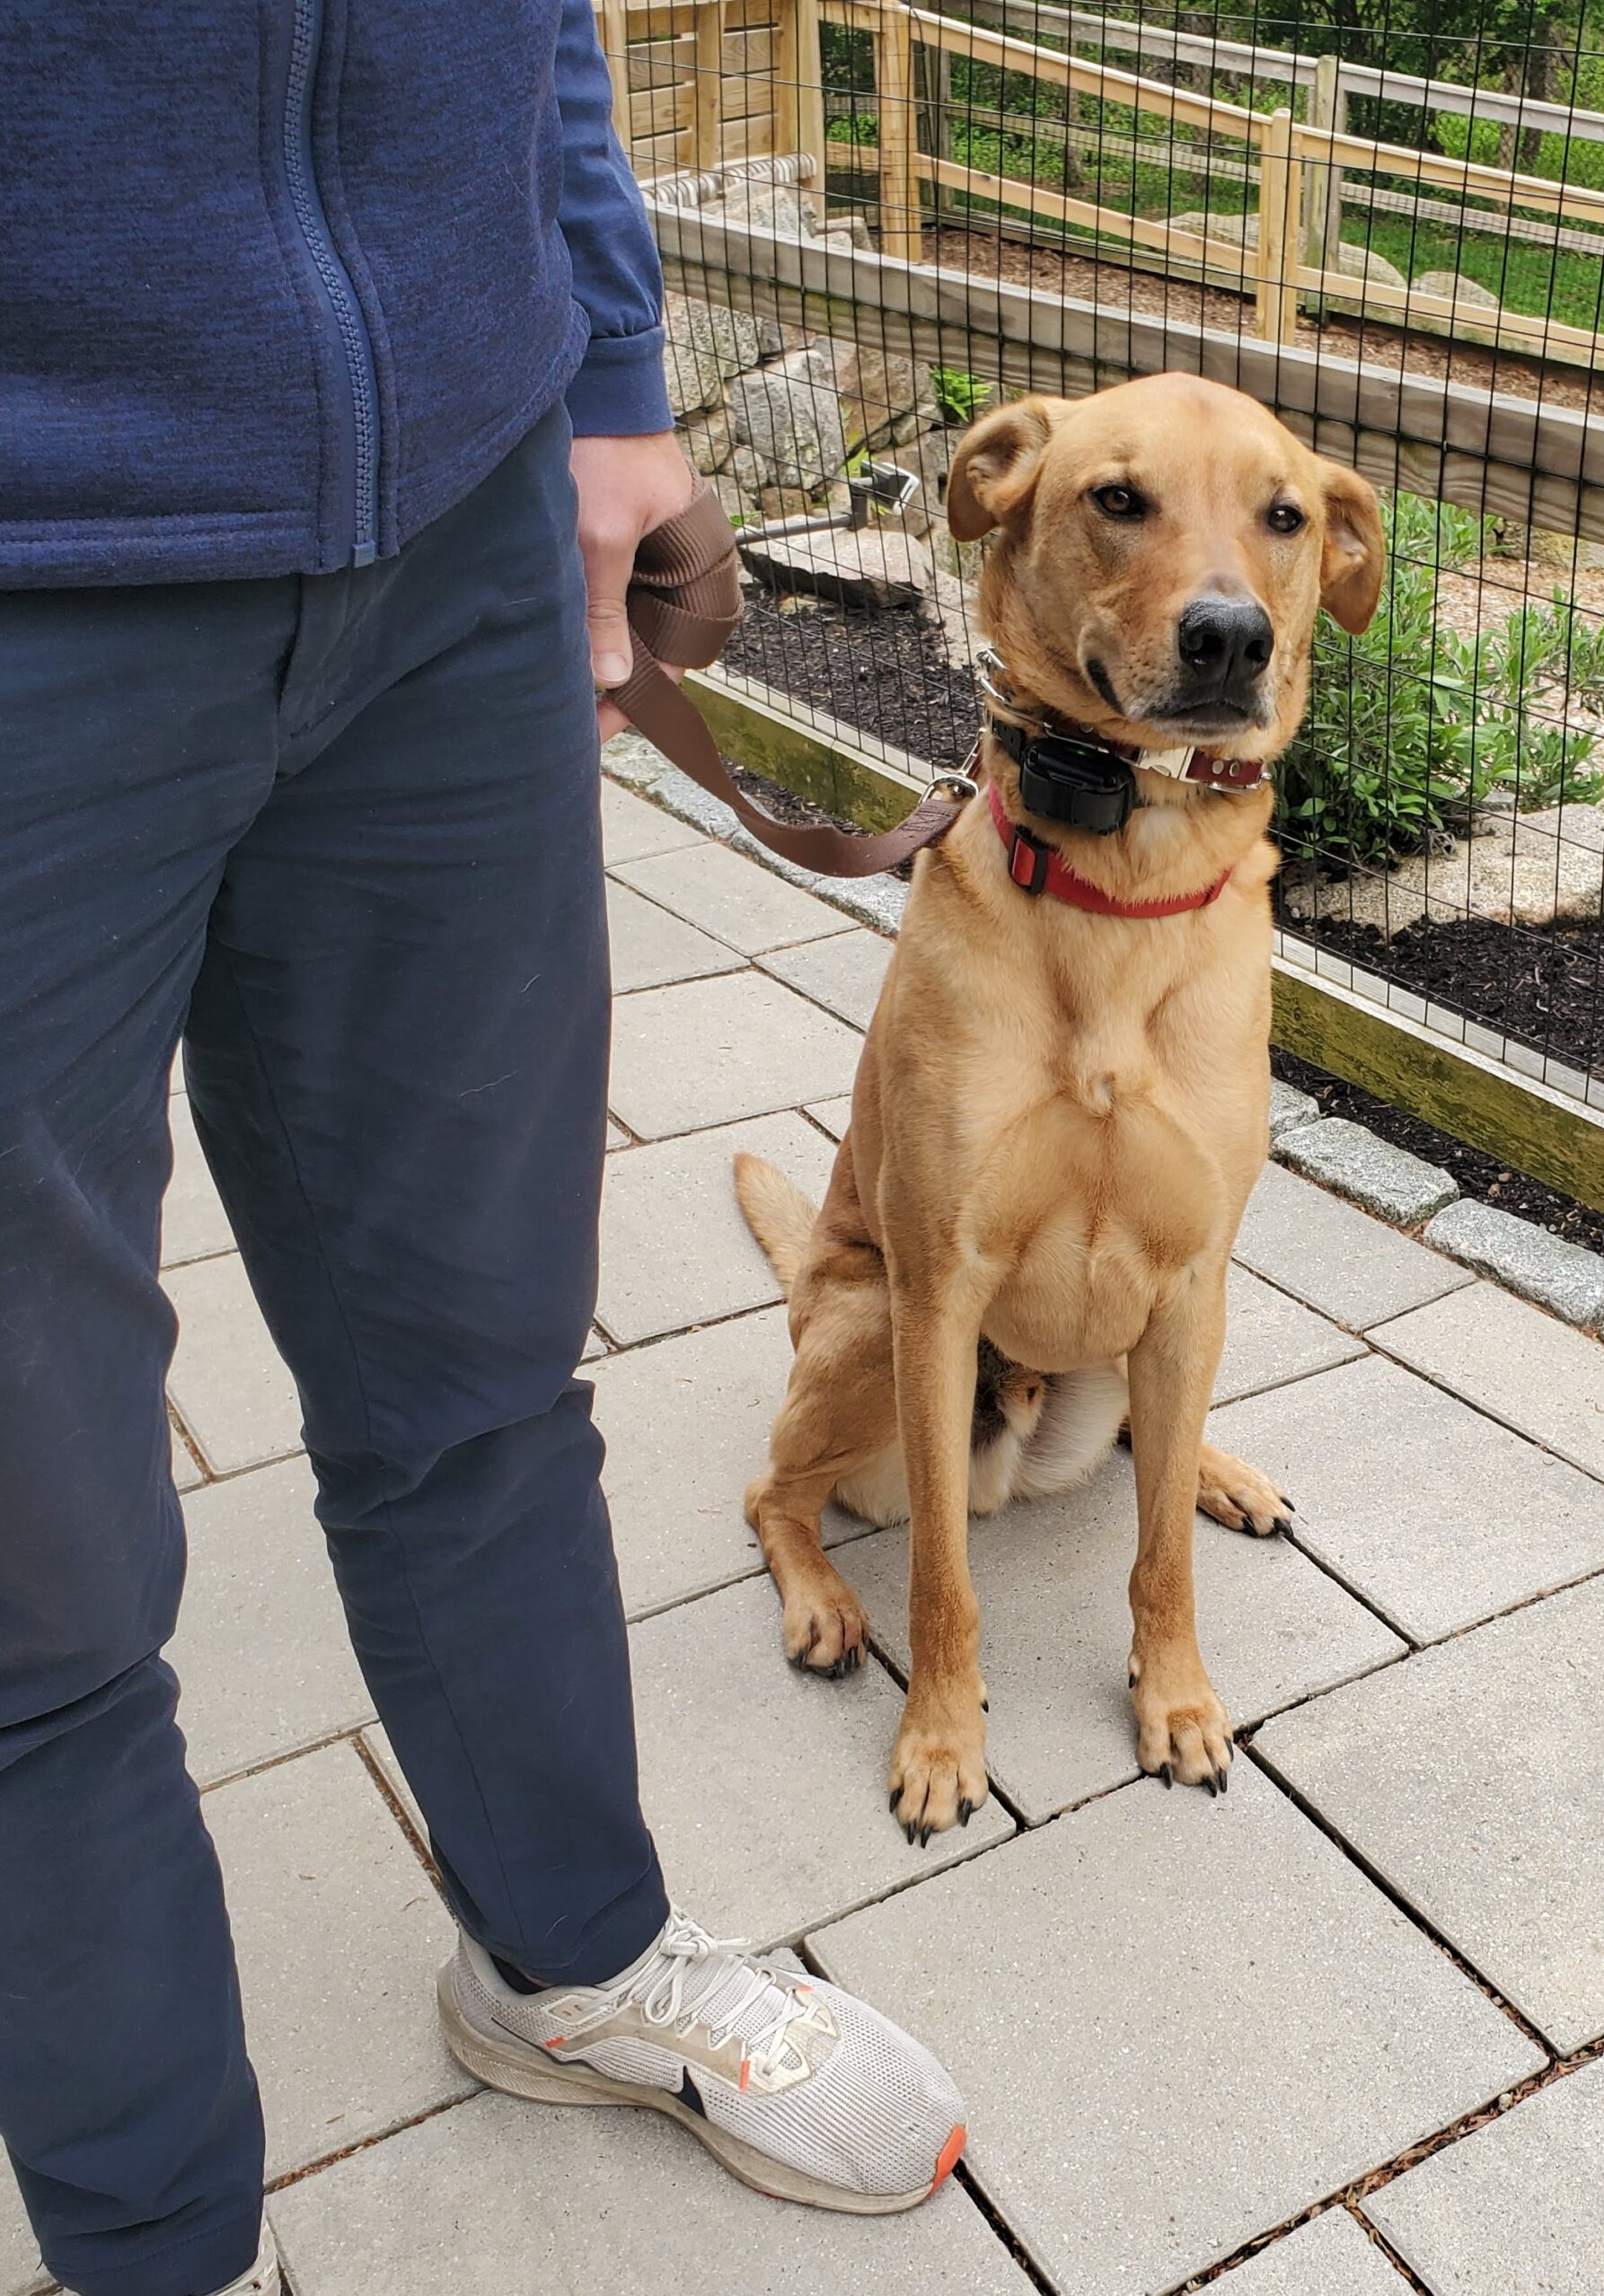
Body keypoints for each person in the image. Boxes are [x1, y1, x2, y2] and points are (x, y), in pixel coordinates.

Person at [0, 8, 965, 2293]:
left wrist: (608, 364)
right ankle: (161, 2247)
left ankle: (569, 1959)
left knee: (482, 1372)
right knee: (31, 1566)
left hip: (454, 525)